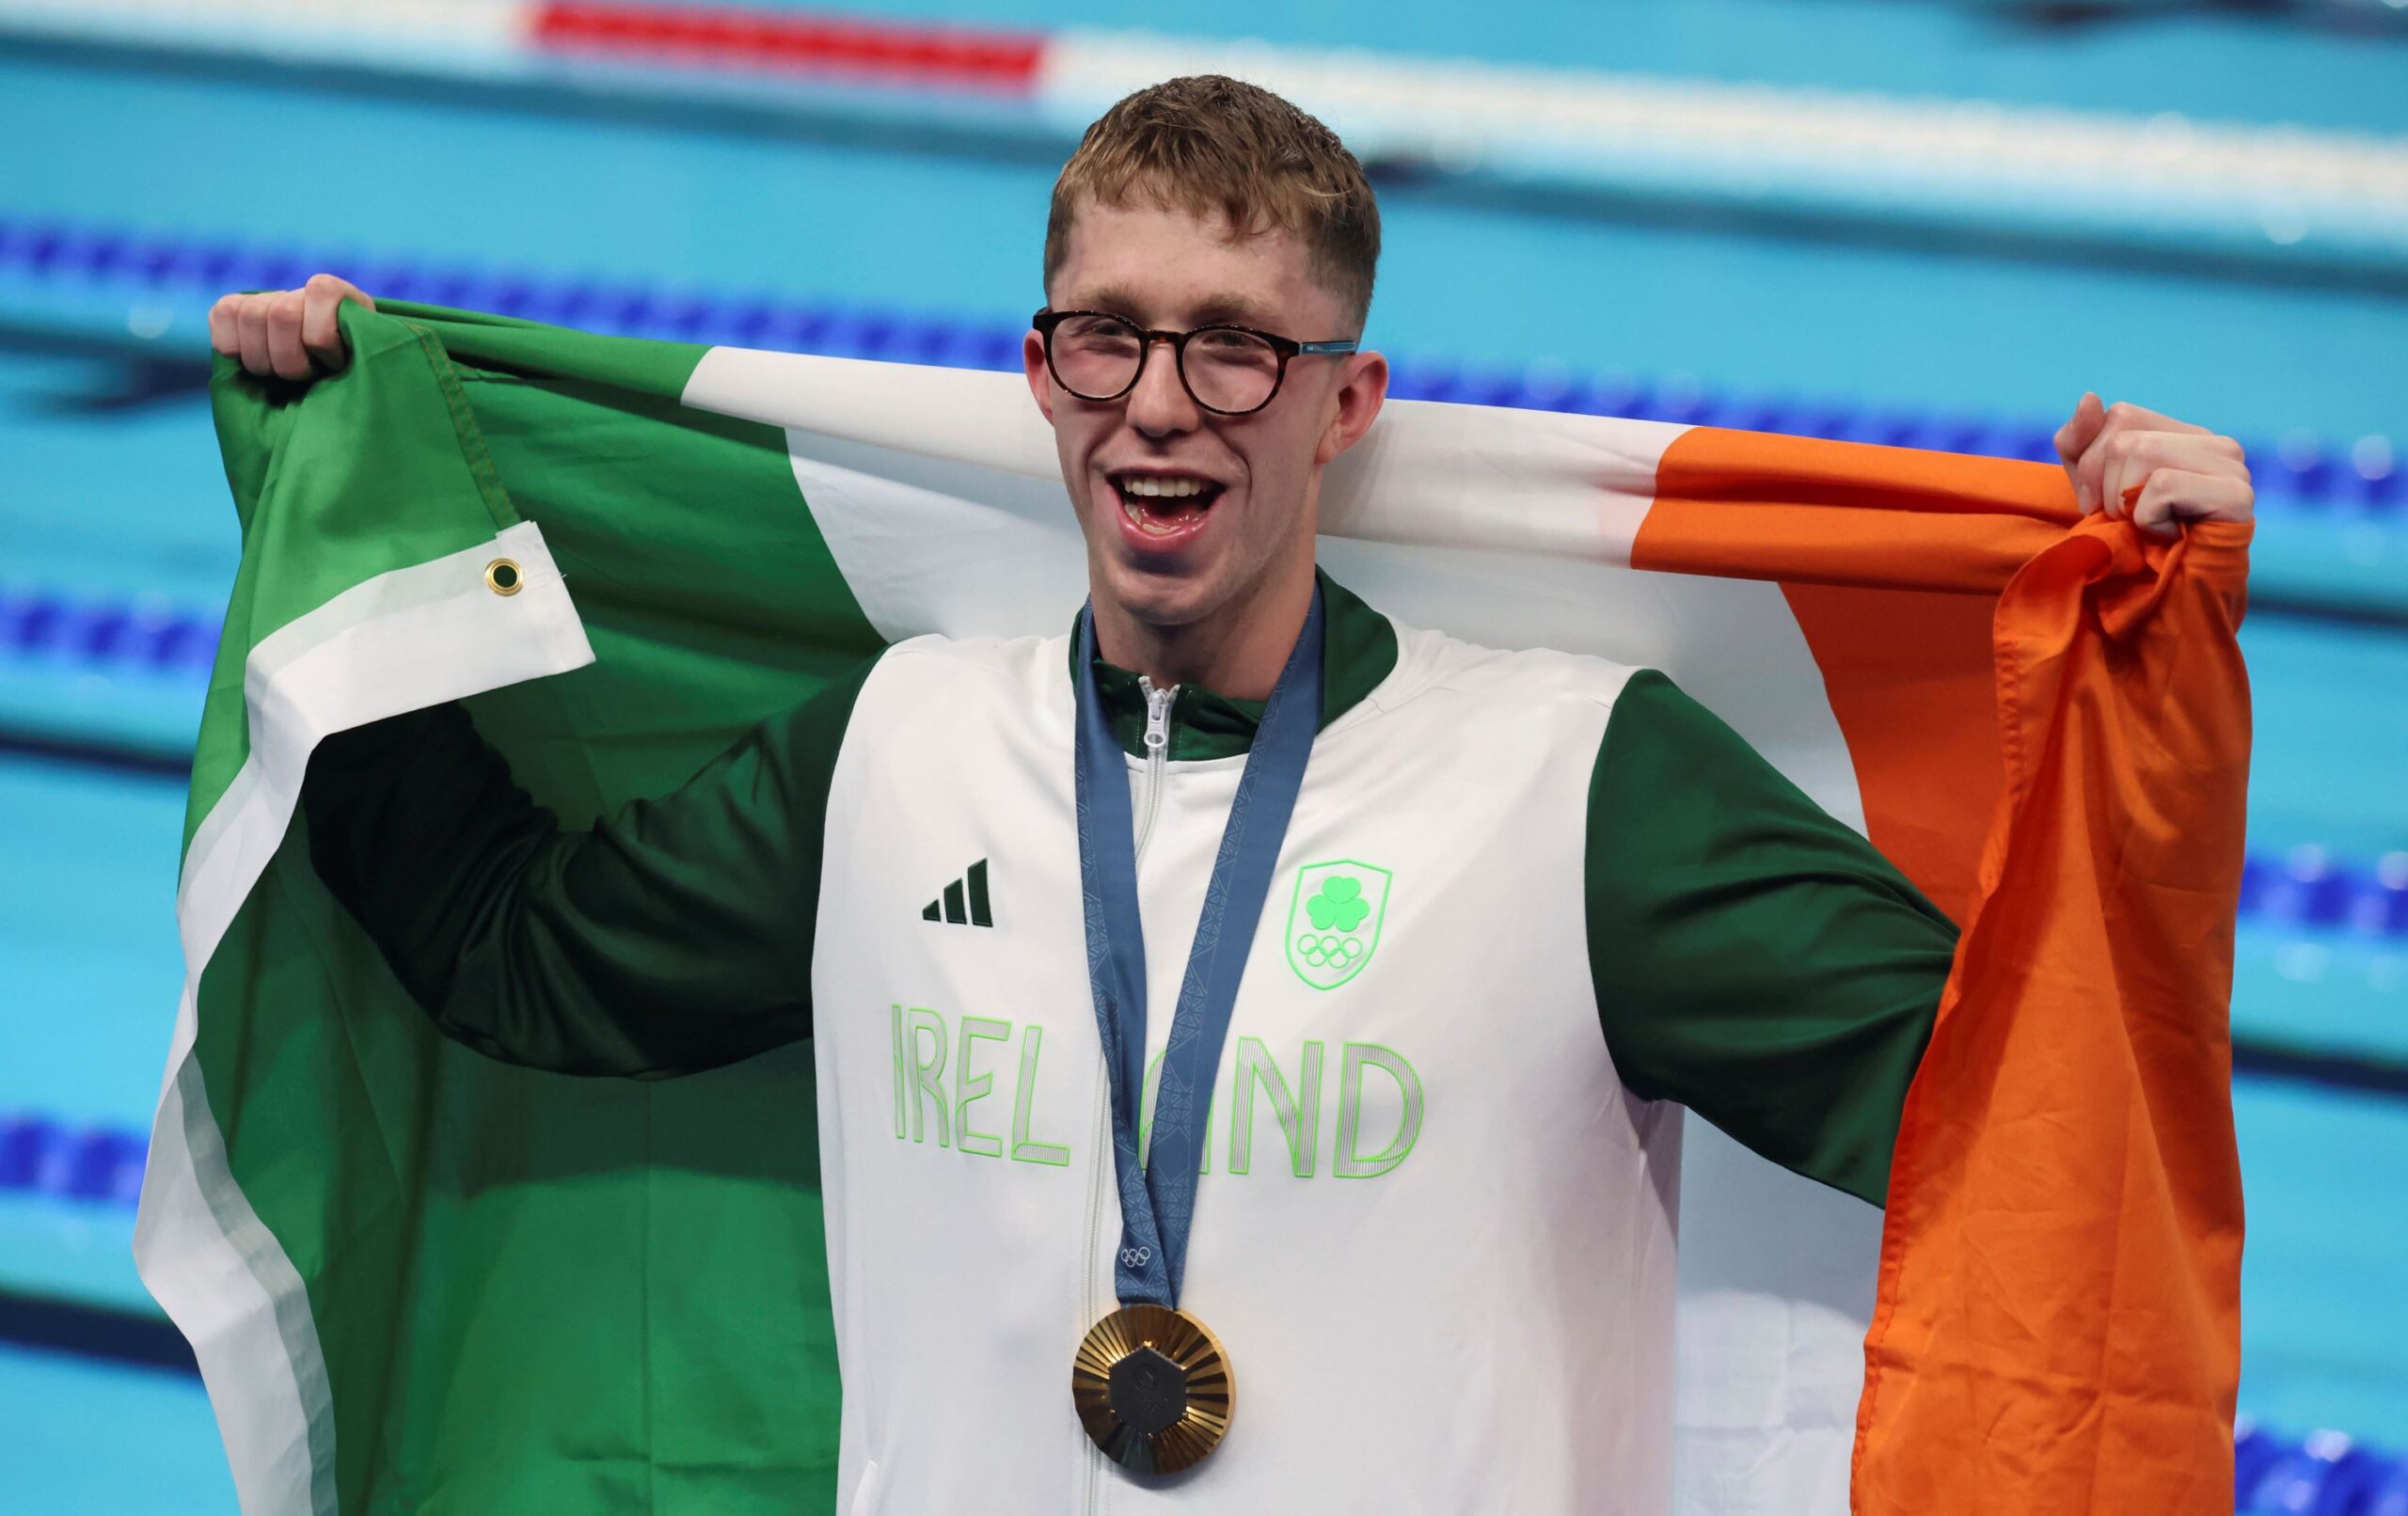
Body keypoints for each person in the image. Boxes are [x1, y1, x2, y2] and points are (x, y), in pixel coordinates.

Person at [214, 75, 2254, 1512]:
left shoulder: (1568, 784)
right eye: (1106, 338)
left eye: (1235, 346)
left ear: (1347, 404)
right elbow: (517, 960)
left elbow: (2023, 1114)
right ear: (1037, 376)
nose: (1160, 405)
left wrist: (2149, 715)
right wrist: (349, 513)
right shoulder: (891, 750)